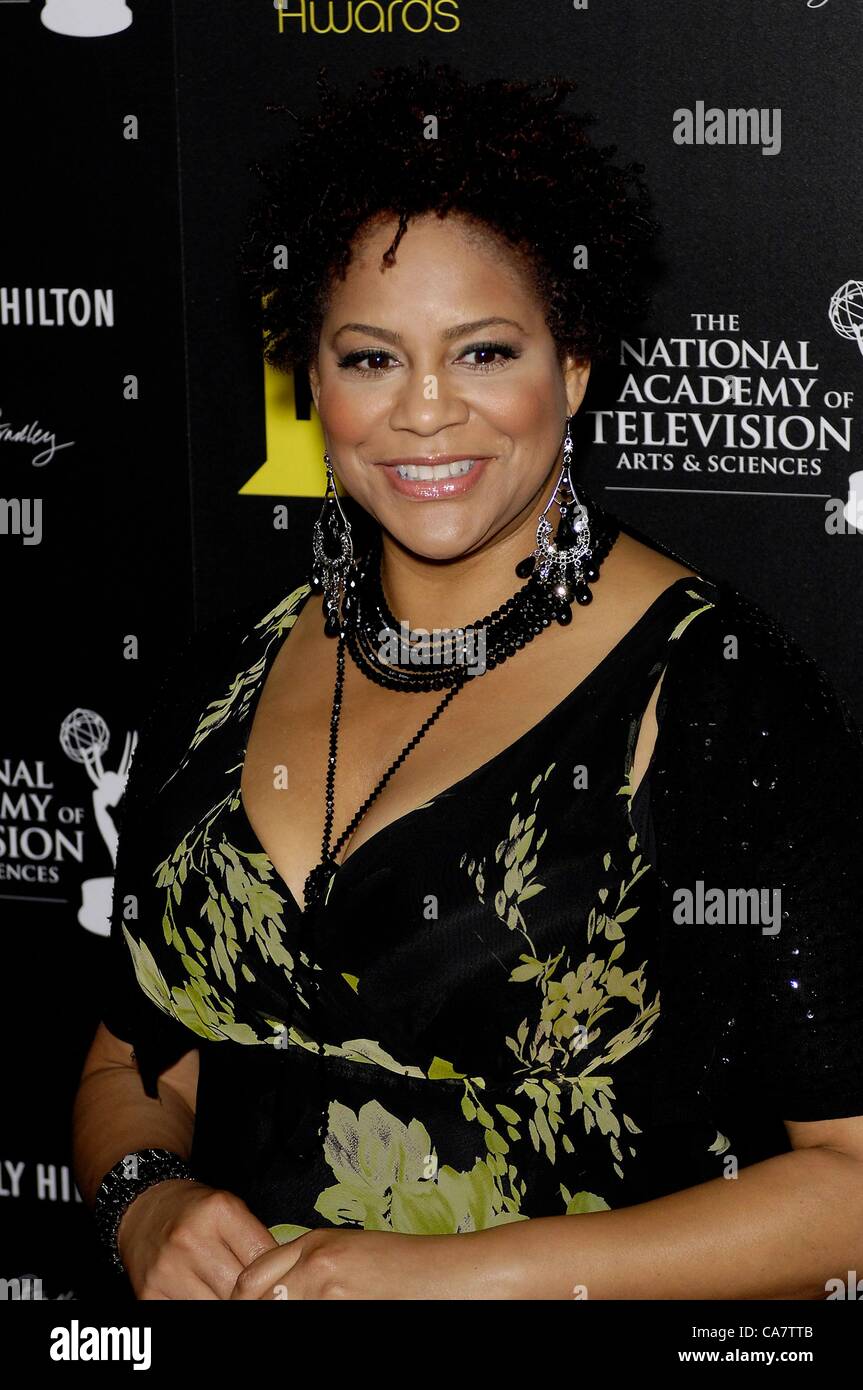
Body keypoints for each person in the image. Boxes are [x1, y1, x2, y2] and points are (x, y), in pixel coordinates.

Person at [72, 62, 863, 1300]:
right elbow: (133, 1062)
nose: (426, 413)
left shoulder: (708, 693)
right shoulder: (227, 672)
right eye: (371, 358)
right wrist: (142, 1202)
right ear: (310, 380)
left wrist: (454, 1279)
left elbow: (850, 1186)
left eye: (483, 350)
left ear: (575, 367)